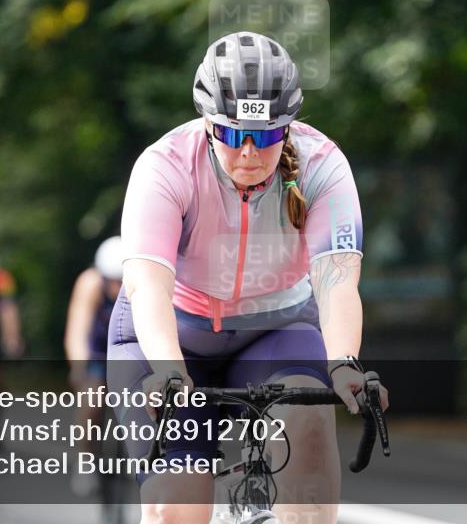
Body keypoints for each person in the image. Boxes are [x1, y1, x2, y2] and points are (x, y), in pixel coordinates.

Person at [107, 31, 389, 524]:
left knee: (308, 429)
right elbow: (148, 285)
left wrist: (344, 364)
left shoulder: (322, 164)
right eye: (234, 135)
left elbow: (337, 281)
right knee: (176, 510)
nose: (250, 153)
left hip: (275, 331)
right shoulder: (165, 165)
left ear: (288, 127)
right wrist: (169, 369)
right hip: (172, 335)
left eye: (268, 136)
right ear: (208, 123)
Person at [64, 235, 124, 496]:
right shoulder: (90, 283)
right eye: (112, 280)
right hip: (98, 354)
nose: (117, 287)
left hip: (131, 353)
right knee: (92, 401)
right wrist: (78, 367)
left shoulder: (141, 283)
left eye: (121, 280)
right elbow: (77, 329)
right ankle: (85, 459)